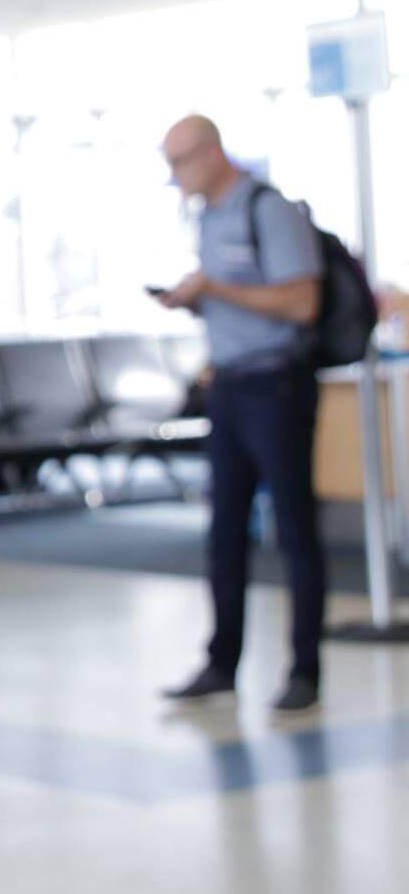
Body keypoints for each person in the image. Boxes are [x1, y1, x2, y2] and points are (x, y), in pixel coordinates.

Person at [155, 114, 325, 714]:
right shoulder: (206, 220)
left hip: (276, 387)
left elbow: (303, 302)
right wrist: (194, 301)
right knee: (223, 532)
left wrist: (217, 290)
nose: (174, 177)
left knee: (295, 530)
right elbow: (233, 303)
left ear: (211, 151)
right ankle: (221, 663)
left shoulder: (269, 211)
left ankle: (305, 668)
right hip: (226, 388)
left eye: (179, 162)